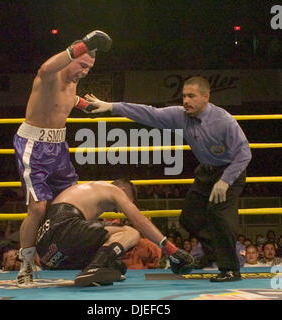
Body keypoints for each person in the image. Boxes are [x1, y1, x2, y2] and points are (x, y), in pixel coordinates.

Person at [85, 76, 252, 282]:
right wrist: (111, 106)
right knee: (189, 218)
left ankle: (230, 269)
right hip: (206, 172)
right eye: (183, 96)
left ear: (206, 97)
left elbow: (244, 153)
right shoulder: (181, 116)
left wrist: (225, 180)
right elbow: (148, 113)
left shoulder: (223, 121)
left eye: (191, 96)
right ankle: (213, 254)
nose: (185, 101)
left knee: (219, 215)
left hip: (230, 172)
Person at [13, 30, 113, 287]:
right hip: (33, 146)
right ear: (71, 57)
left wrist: (85, 105)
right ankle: (24, 265)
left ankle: (92, 262)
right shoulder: (51, 75)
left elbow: (65, 99)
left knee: (71, 204)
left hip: (58, 147)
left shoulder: (73, 81)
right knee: (37, 208)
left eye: (89, 68)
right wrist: (84, 45)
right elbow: (46, 68)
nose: (84, 71)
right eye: (82, 64)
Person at [35, 179, 194, 287]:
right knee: (131, 232)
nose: (120, 211)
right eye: (128, 203)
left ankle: (96, 267)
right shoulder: (113, 190)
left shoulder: (89, 197)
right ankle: (95, 267)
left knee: (117, 267)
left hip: (48, 253)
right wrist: (171, 249)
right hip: (64, 229)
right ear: (123, 190)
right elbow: (139, 220)